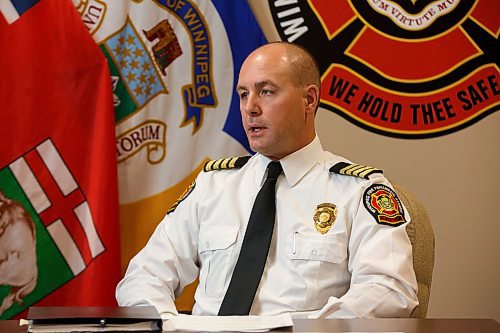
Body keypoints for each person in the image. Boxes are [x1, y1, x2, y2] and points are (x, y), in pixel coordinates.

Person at [116, 42, 418, 319]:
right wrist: (165, 326)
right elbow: (145, 275)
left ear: (309, 99)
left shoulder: (357, 192)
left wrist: (310, 329)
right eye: (244, 94)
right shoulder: (213, 185)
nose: (250, 108)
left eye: (266, 91)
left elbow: (390, 290)